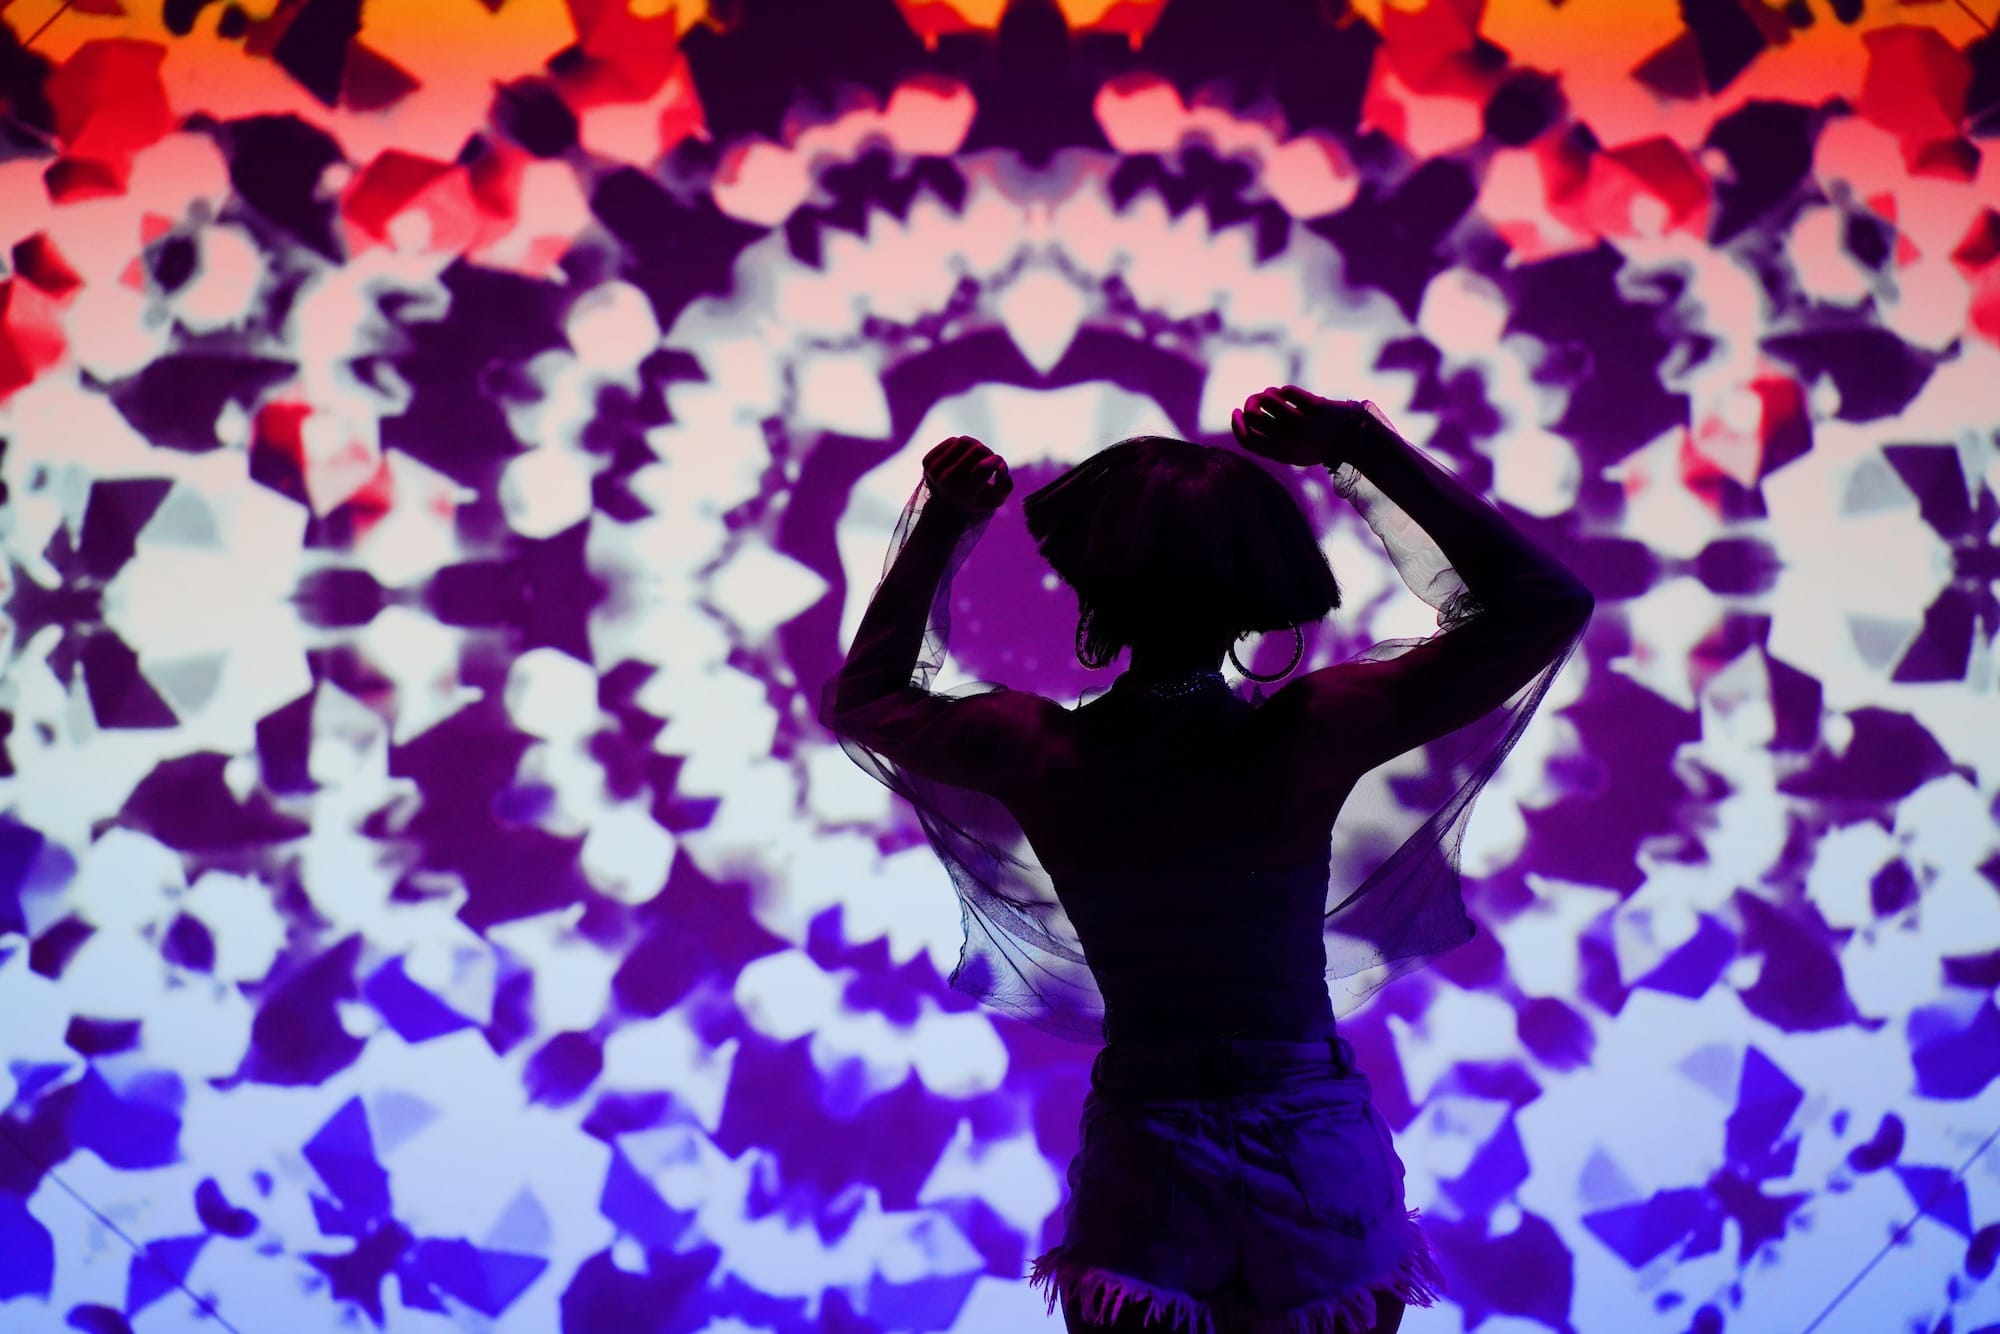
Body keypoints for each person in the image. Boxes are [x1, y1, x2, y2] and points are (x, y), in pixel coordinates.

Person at [820, 386, 1595, 1333]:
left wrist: (945, 521)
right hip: (1313, 1144)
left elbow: (867, 700)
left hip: (1149, 1160)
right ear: (1256, 594)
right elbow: (1544, 604)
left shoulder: (1038, 751)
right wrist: (1356, 445)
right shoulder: (1312, 732)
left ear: (1093, 592)